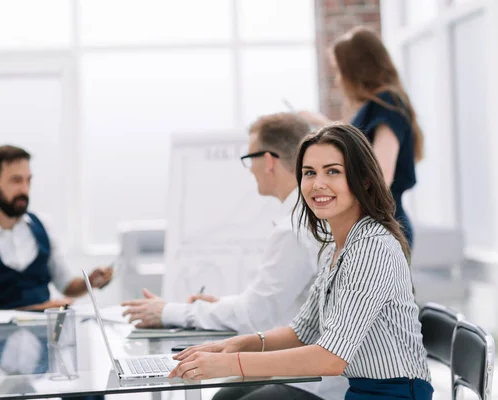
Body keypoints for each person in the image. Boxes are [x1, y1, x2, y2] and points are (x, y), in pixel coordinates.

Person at [168, 123, 433, 400]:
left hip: (396, 395)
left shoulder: (371, 248)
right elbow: (303, 332)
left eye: (333, 171)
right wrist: (235, 345)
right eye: (309, 173)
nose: (318, 184)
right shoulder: (337, 246)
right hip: (361, 391)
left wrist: (232, 364)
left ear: (364, 179)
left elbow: (332, 358)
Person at [121, 112, 349, 399]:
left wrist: (170, 312)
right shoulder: (304, 219)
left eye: (249, 158)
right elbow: (277, 306)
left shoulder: (296, 227)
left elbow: (256, 314)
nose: (250, 168)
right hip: (305, 367)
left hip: (319, 380)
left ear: (268, 160)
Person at [0, 145, 113, 312]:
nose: (24, 189)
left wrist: (91, 282)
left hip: (49, 339)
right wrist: (37, 311)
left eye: (28, 180)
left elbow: (66, 285)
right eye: (16, 180)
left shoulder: (43, 226)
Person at [299, 26, 424, 247]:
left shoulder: (387, 104)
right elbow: (361, 148)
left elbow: (381, 175)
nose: (338, 81)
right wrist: (321, 123)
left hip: (383, 227)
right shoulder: (380, 105)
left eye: (340, 71)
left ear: (357, 71)